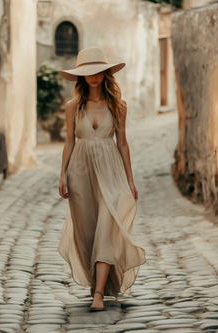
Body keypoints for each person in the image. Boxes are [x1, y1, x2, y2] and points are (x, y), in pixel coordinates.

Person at [57, 47, 147, 312]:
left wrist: (130, 181)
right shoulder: (73, 106)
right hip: (80, 172)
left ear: (106, 73)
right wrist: (62, 173)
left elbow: (123, 144)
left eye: (97, 71)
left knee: (106, 227)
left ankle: (98, 293)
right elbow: (70, 141)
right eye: (87, 73)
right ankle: (97, 281)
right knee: (87, 231)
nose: (93, 77)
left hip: (111, 172)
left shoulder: (119, 106)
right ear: (80, 77)